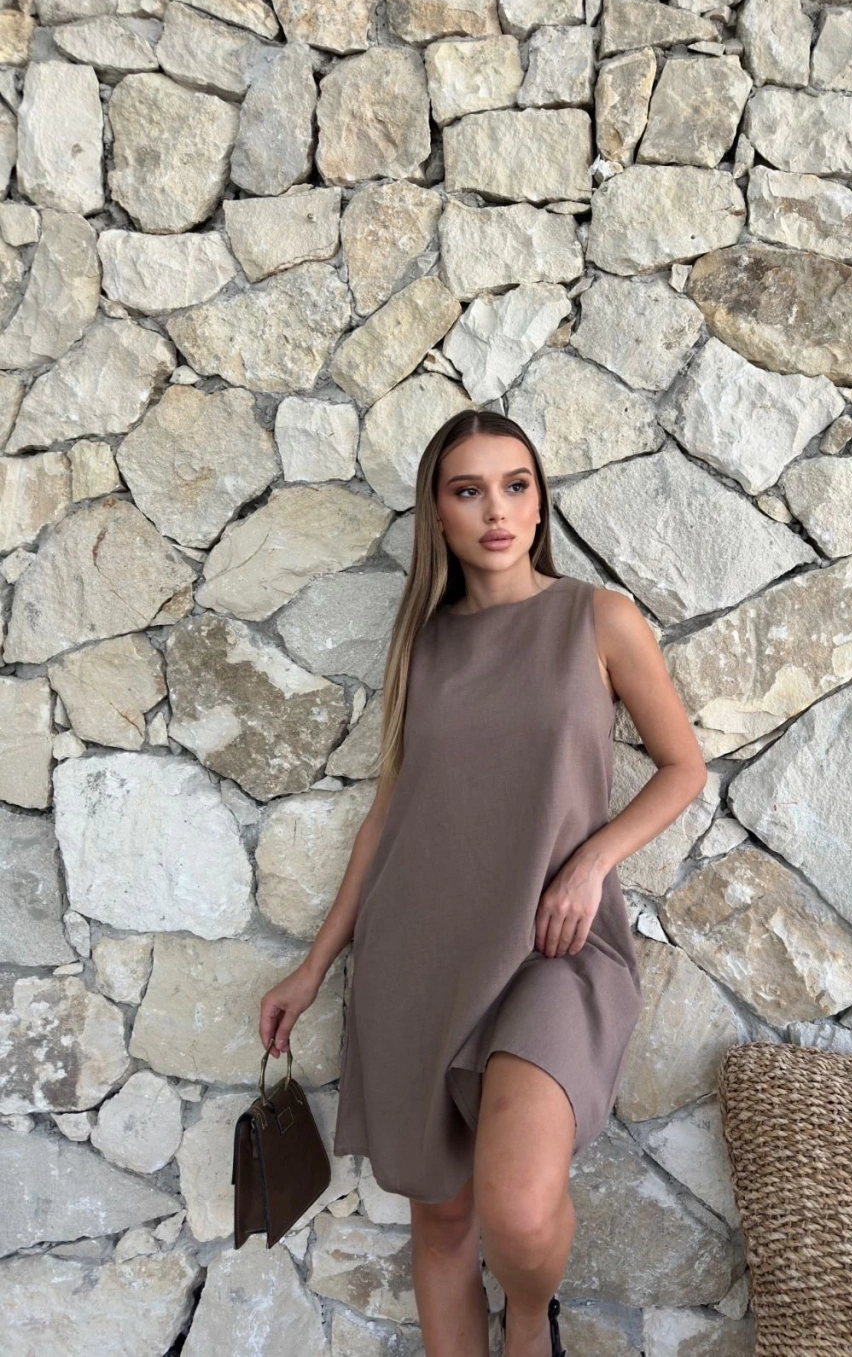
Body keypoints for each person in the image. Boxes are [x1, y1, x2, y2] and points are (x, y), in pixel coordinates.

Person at [259, 408, 708, 1357]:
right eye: (469, 490)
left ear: (540, 504)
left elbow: (683, 768)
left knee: (518, 1215)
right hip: (419, 955)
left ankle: (533, 1320)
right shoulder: (421, 647)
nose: (496, 510)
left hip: (553, 948)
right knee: (443, 1220)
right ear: (439, 512)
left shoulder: (598, 618)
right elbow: (387, 818)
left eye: (515, 485)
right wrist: (313, 966)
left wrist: (590, 863)